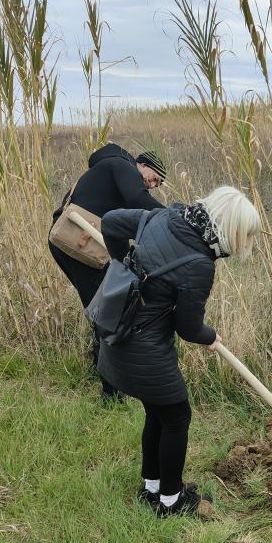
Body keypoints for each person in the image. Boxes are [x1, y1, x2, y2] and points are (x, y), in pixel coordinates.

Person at [98, 187, 261, 516]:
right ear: (229, 230)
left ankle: (152, 488)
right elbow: (188, 328)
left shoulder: (165, 216)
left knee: (158, 413)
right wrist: (211, 335)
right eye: (244, 235)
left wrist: (122, 266)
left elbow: (111, 223)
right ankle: (171, 502)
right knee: (176, 416)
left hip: (120, 335)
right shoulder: (199, 265)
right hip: (143, 348)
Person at [49, 143, 168, 401]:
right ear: (143, 165)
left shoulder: (110, 170)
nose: (153, 186)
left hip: (70, 243)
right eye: (154, 178)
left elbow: (120, 223)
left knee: (102, 307)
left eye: (157, 185)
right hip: (80, 243)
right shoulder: (122, 166)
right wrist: (176, 219)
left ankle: (102, 371)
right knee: (108, 313)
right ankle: (110, 393)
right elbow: (138, 201)